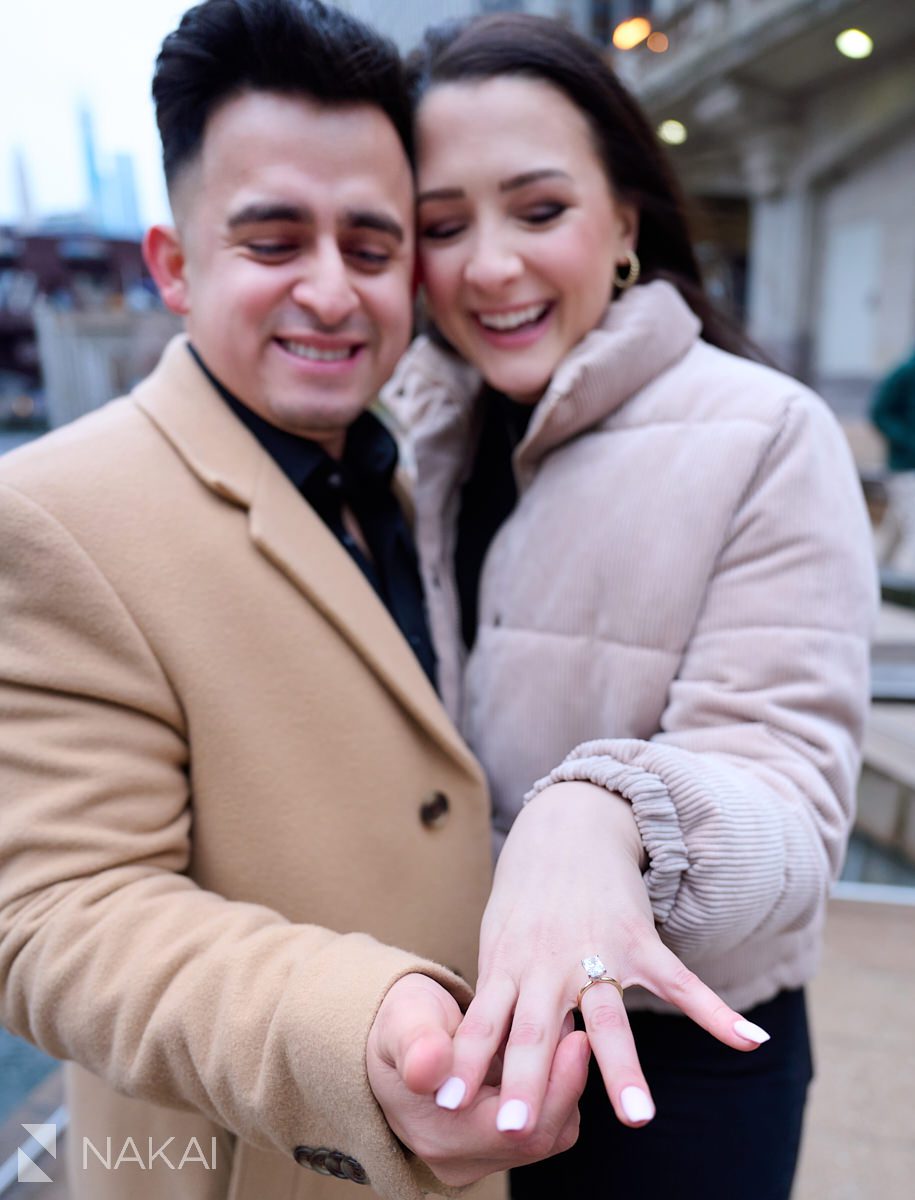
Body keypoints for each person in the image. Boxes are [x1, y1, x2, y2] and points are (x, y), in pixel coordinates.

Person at [0, 4, 590, 1199]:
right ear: (172, 264)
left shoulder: (419, 474)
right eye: (274, 241)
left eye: (371, 250)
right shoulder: (51, 508)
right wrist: (360, 1025)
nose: (332, 292)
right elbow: (61, 915)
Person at [385, 13, 878, 1198]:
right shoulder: (393, 438)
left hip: (677, 1057)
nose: (489, 265)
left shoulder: (767, 431)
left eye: (540, 210)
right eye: (443, 226)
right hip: (450, 1031)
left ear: (624, 223)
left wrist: (609, 813)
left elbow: (792, 788)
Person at [871, 343, 915, 574]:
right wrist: (907, 441)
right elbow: (879, 412)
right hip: (907, 465)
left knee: (895, 529)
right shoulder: (906, 371)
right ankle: (907, 588)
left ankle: (874, 575)